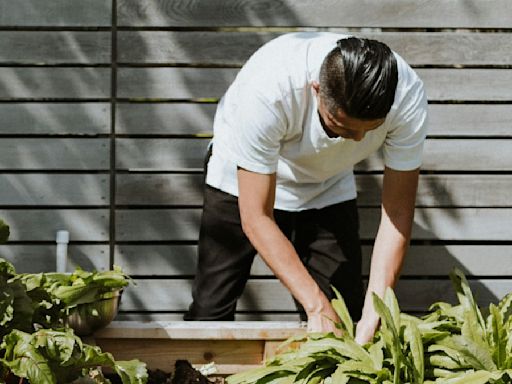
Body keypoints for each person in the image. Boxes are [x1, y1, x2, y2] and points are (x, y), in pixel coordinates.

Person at [184, 32, 428, 344]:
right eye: (341, 126)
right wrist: (315, 305)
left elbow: (397, 211)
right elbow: (256, 217)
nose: (356, 140)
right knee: (210, 311)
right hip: (239, 181)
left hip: (327, 184)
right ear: (316, 90)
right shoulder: (269, 90)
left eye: (369, 131)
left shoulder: (407, 96)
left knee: (344, 315)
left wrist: (377, 307)